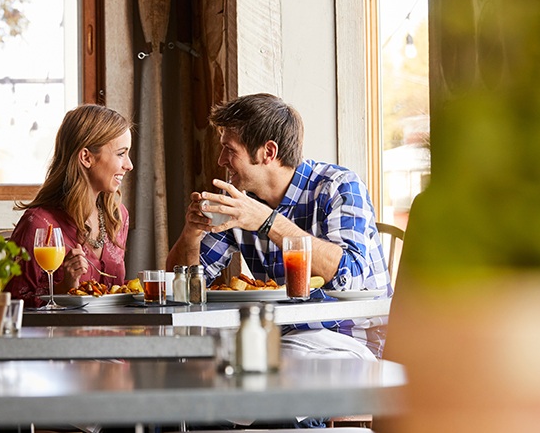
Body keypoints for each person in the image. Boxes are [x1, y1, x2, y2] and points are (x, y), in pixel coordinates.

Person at [166, 93, 392, 358]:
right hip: (280, 338)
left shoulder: (337, 186)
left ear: (268, 152)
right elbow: (181, 289)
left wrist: (267, 221)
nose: (221, 161)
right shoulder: (240, 202)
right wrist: (192, 233)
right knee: (189, 356)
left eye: (230, 149)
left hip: (348, 339)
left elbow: (350, 278)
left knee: (247, 368)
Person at [6, 104, 134, 308]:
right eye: (121, 154)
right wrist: (63, 288)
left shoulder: (117, 216)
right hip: (60, 338)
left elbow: (113, 292)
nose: (129, 165)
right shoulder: (39, 224)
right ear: (86, 157)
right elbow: (13, 304)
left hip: (112, 335)